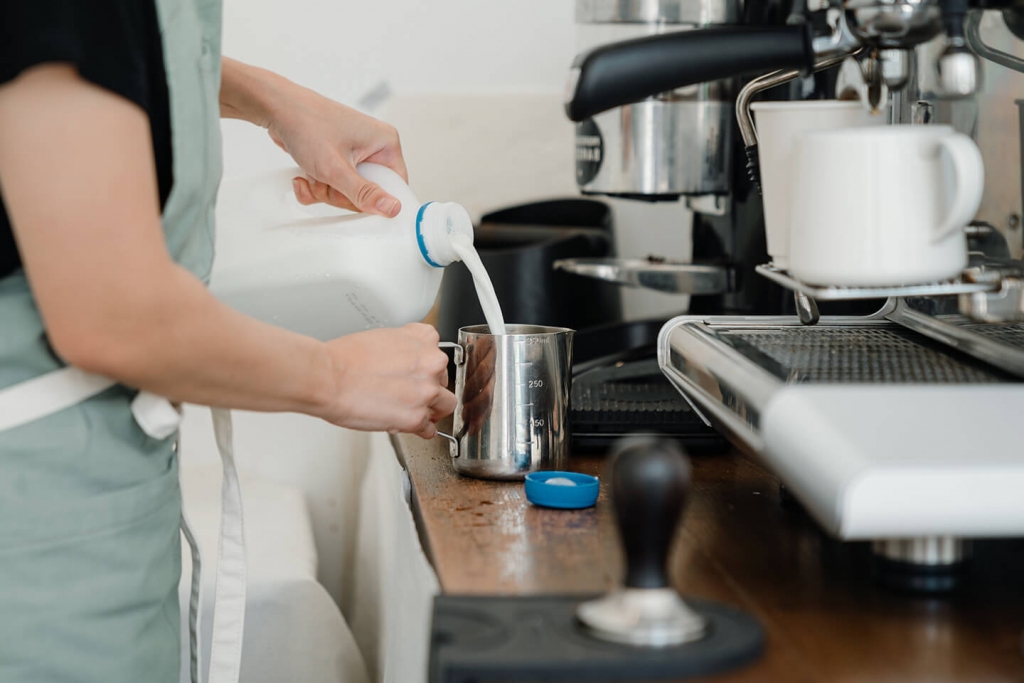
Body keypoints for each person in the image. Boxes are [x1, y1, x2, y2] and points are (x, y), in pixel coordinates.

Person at [0, 2, 456, 681]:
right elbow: (113, 313)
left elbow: (84, 48)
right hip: (35, 538)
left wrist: (268, 98)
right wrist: (337, 377)